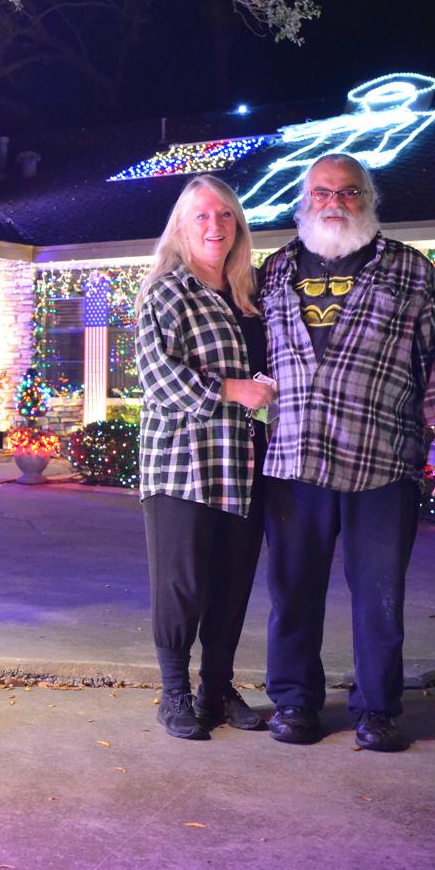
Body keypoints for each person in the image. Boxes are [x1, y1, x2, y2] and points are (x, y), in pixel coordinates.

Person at [258, 153, 435, 752]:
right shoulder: (272, 272)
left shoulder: (409, 270)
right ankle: (295, 702)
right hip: (291, 462)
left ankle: (377, 709)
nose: (334, 202)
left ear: (368, 198)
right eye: (322, 192)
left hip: (381, 461)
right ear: (305, 200)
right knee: (292, 591)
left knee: (379, 597)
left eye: (347, 192)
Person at [135, 176, 278, 740]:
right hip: (183, 465)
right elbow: (155, 376)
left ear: (237, 223)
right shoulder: (168, 291)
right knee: (181, 583)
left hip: (245, 462)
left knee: (232, 581)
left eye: (224, 214)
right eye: (200, 216)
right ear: (181, 227)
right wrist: (231, 390)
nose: (214, 225)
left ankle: (215, 690)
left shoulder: (250, 296)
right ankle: (174, 695)